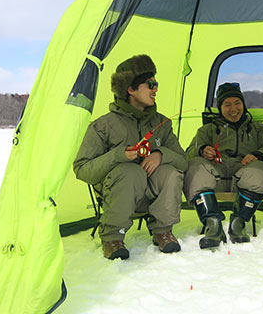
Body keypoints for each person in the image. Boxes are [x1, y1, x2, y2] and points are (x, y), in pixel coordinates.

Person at [73, 54, 187, 260]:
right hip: (116, 196)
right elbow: (82, 170)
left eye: (156, 83)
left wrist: (161, 155)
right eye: (150, 84)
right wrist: (119, 155)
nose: (155, 89)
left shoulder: (162, 124)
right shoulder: (103, 126)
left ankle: (163, 231)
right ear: (131, 89)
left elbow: (183, 161)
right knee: (130, 171)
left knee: (171, 171)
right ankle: (112, 237)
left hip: (151, 195)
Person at [184, 82, 263, 248]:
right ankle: (212, 223)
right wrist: (202, 150)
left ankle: (239, 222)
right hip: (214, 179)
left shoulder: (258, 128)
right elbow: (189, 151)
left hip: (244, 177)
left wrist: (257, 155)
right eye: (227, 104)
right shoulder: (207, 129)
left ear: (243, 104)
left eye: (237, 103)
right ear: (220, 107)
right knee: (194, 166)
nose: (233, 109)